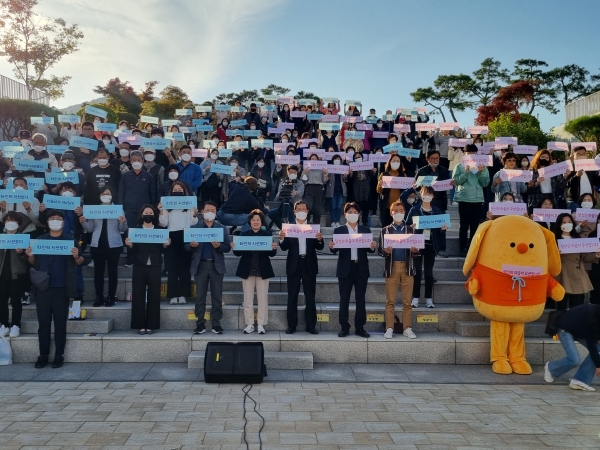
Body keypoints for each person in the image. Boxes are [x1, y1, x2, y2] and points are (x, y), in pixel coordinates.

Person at [26, 209, 84, 369]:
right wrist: (30, 255)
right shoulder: (40, 240)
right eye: (52, 218)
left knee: (60, 324)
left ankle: (59, 355)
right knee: (43, 324)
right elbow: (33, 262)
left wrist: (76, 256)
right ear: (47, 222)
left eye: (59, 219)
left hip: (62, 287)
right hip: (43, 287)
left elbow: (80, 261)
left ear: (63, 222)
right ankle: (43, 355)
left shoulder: (70, 240)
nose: (56, 221)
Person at [329, 202, 377, 338]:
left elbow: (370, 249)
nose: (352, 214)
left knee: (360, 299)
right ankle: (344, 327)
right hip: (345, 268)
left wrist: (372, 246)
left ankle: (360, 327)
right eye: (349, 212)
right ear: (345, 215)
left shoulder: (365, 230)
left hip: (361, 267)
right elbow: (334, 249)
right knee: (344, 299)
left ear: (359, 214)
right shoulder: (339, 231)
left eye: (355, 212)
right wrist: (332, 246)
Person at [279, 201, 324, 335]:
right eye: (298, 209)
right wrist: (281, 239)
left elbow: (320, 247)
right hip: (294, 264)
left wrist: (320, 239)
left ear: (307, 211)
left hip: (309, 264)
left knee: (310, 297)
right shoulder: (289, 228)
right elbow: (284, 247)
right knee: (292, 296)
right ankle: (291, 325)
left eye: (304, 209)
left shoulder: (313, 228)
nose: (301, 211)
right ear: (294, 212)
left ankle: (311, 325)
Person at [187, 201, 232, 334]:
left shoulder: (221, 228)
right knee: (200, 296)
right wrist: (192, 246)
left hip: (216, 265)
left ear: (216, 213)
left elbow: (227, 247)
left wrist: (219, 246)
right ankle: (200, 323)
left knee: (217, 296)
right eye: (207, 210)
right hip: (200, 265)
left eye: (213, 211)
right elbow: (186, 247)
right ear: (202, 212)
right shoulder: (194, 228)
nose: (210, 213)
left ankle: (216, 323)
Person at [124, 204, 170, 334]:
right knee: (138, 294)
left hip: (155, 265)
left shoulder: (160, 230)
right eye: (146, 212)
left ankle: (151, 325)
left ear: (154, 215)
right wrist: (129, 245)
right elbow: (132, 250)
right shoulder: (135, 230)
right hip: (139, 264)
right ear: (141, 214)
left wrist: (165, 245)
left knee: (154, 294)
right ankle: (139, 325)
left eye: (151, 213)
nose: (148, 215)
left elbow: (162, 249)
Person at [79, 187, 127, 307]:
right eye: (103, 193)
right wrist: (83, 222)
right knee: (98, 273)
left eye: (108, 193)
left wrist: (123, 221)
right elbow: (90, 229)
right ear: (100, 196)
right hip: (97, 245)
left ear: (112, 195)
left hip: (114, 245)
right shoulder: (94, 209)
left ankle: (111, 297)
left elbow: (122, 229)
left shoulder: (118, 209)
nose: (105, 195)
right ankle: (99, 297)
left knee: (112, 272)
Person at [232, 209, 277, 334]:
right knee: (248, 299)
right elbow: (237, 253)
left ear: (261, 222)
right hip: (247, 270)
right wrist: (235, 247)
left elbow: (272, 254)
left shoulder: (267, 235)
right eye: (253, 220)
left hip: (263, 270)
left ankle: (261, 324)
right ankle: (249, 324)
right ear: (250, 222)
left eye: (258, 220)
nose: (256, 222)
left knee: (263, 299)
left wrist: (274, 248)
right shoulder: (244, 235)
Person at [379, 201, 418, 339]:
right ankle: (389, 327)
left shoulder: (411, 230)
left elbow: (417, 252)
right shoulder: (385, 230)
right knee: (390, 300)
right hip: (392, 267)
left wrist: (415, 250)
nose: (399, 213)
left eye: (401, 210)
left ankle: (407, 328)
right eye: (396, 210)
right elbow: (380, 251)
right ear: (391, 213)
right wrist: (386, 251)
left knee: (407, 301)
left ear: (405, 212)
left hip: (408, 267)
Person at [406, 186, 448, 309]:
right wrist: (411, 227)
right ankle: (415, 298)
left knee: (429, 273)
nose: (427, 196)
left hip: (431, 246)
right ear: (420, 194)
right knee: (417, 273)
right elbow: (407, 226)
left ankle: (429, 298)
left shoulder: (437, 211)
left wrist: (443, 229)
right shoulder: (414, 209)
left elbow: (440, 230)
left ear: (433, 196)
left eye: (429, 194)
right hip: (417, 245)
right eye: (425, 193)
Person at [545, 304, 600, 392]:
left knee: (599, 350)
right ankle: (551, 368)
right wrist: (598, 365)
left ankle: (580, 380)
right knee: (574, 360)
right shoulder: (594, 319)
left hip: (580, 329)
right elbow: (591, 345)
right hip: (564, 328)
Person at [159, 181, 198, 304]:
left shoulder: (189, 203)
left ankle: (183, 294)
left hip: (186, 235)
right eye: (175, 189)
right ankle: (173, 295)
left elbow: (193, 222)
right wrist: (161, 211)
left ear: (184, 190)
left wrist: (195, 214)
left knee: (185, 267)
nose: (177, 191)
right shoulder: (167, 204)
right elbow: (163, 223)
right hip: (171, 236)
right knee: (172, 267)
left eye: (180, 189)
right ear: (171, 191)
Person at [553, 213, 599, 311]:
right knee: (561, 306)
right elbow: (548, 258)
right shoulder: (553, 239)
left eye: (569, 222)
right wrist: (556, 254)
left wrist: (597, 255)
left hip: (577, 274)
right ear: (559, 224)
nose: (567, 224)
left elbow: (585, 257)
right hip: (561, 275)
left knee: (577, 307)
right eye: (564, 222)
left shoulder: (577, 238)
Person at [118, 151, 157, 267]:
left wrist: (152, 210)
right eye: (134, 160)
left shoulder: (149, 177)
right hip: (129, 210)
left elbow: (153, 194)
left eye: (138, 160)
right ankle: (130, 259)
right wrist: (121, 209)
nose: (136, 162)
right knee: (129, 234)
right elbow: (121, 193)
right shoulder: (125, 176)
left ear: (143, 161)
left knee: (143, 234)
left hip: (145, 212)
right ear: (130, 161)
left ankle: (143, 258)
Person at [453, 144, 490, 257]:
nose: (472, 156)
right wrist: (466, 172)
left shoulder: (483, 167)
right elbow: (456, 182)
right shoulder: (459, 166)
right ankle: (462, 249)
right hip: (464, 198)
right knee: (464, 225)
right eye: (469, 154)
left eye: (474, 154)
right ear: (464, 154)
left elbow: (485, 183)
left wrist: (481, 172)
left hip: (477, 199)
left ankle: (473, 249)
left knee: (475, 226)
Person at [414, 150, 452, 257]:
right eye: (433, 158)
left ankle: (441, 249)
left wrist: (451, 183)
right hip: (425, 201)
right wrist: (417, 185)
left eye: (437, 158)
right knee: (423, 225)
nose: (435, 160)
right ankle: (421, 247)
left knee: (442, 226)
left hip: (439, 201)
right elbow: (416, 187)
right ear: (427, 159)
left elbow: (448, 184)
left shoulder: (444, 170)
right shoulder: (422, 171)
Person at [0, 212, 30, 338]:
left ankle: (16, 325)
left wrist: (21, 253)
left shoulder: (23, 238)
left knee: (16, 301)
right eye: (7, 220)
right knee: (2, 301)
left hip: (17, 274)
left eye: (13, 221)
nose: (10, 223)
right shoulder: (1, 237)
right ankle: (4, 324)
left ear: (18, 224)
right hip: (2, 274)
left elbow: (28, 260)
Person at [376, 153, 404, 227]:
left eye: (398, 161)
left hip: (399, 209)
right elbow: (378, 190)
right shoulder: (384, 174)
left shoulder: (403, 176)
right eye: (394, 160)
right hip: (387, 207)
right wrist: (381, 184)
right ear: (390, 162)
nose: (396, 162)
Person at [348, 152, 374, 226]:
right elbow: (350, 180)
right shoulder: (352, 166)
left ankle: (365, 223)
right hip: (356, 189)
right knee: (357, 207)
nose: (358, 158)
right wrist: (351, 174)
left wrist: (373, 171)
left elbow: (371, 175)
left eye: (359, 157)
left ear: (362, 157)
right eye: (356, 157)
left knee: (366, 207)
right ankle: (357, 222)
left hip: (365, 189)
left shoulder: (366, 165)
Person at [301, 154, 328, 225]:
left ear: (318, 160)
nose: (313, 160)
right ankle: (306, 223)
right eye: (312, 159)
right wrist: (304, 173)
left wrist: (326, 174)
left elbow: (324, 181)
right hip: (309, 187)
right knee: (308, 206)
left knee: (317, 208)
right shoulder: (306, 168)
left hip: (318, 188)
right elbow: (303, 181)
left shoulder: (321, 169)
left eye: (315, 159)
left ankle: (316, 226)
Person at [325, 154, 347, 227]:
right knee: (333, 206)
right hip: (332, 190)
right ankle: (332, 222)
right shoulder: (330, 168)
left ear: (340, 161)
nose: (337, 160)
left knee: (339, 207)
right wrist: (326, 174)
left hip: (341, 190)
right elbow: (326, 180)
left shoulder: (343, 168)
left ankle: (337, 221)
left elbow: (346, 180)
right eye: (335, 159)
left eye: (338, 159)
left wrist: (345, 177)